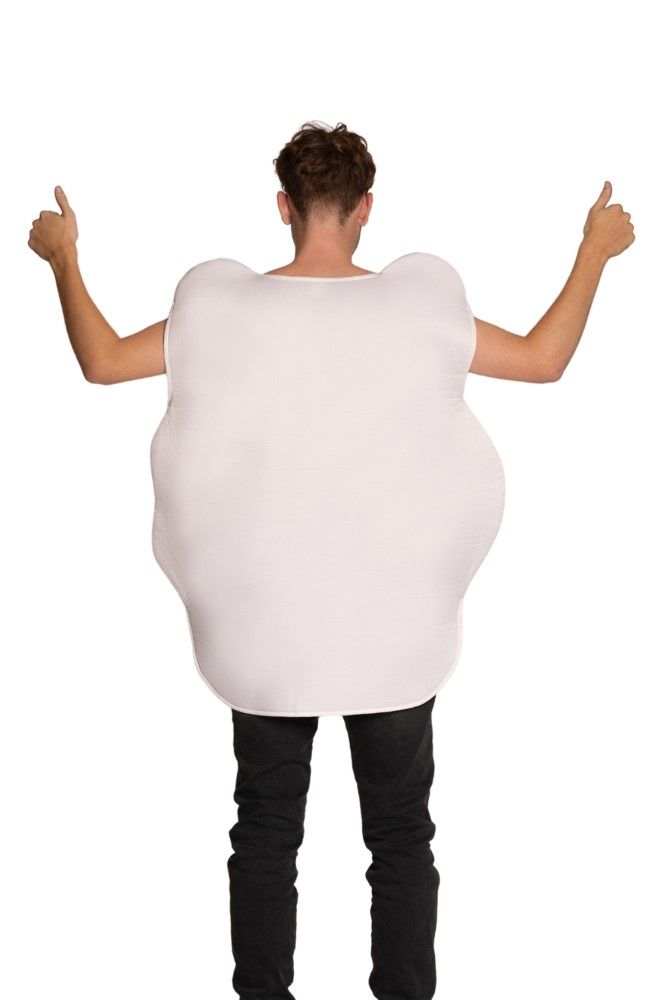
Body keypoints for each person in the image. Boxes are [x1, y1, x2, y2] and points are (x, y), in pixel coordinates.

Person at [28, 120, 634, 1000]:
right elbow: (543, 360)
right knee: (400, 833)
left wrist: (64, 259)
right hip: (392, 635)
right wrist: (593, 251)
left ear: (283, 206)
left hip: (264, 636)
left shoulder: (215, 309)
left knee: (265, 829)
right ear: (365, 208)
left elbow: (103, 360)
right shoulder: (420, 307)